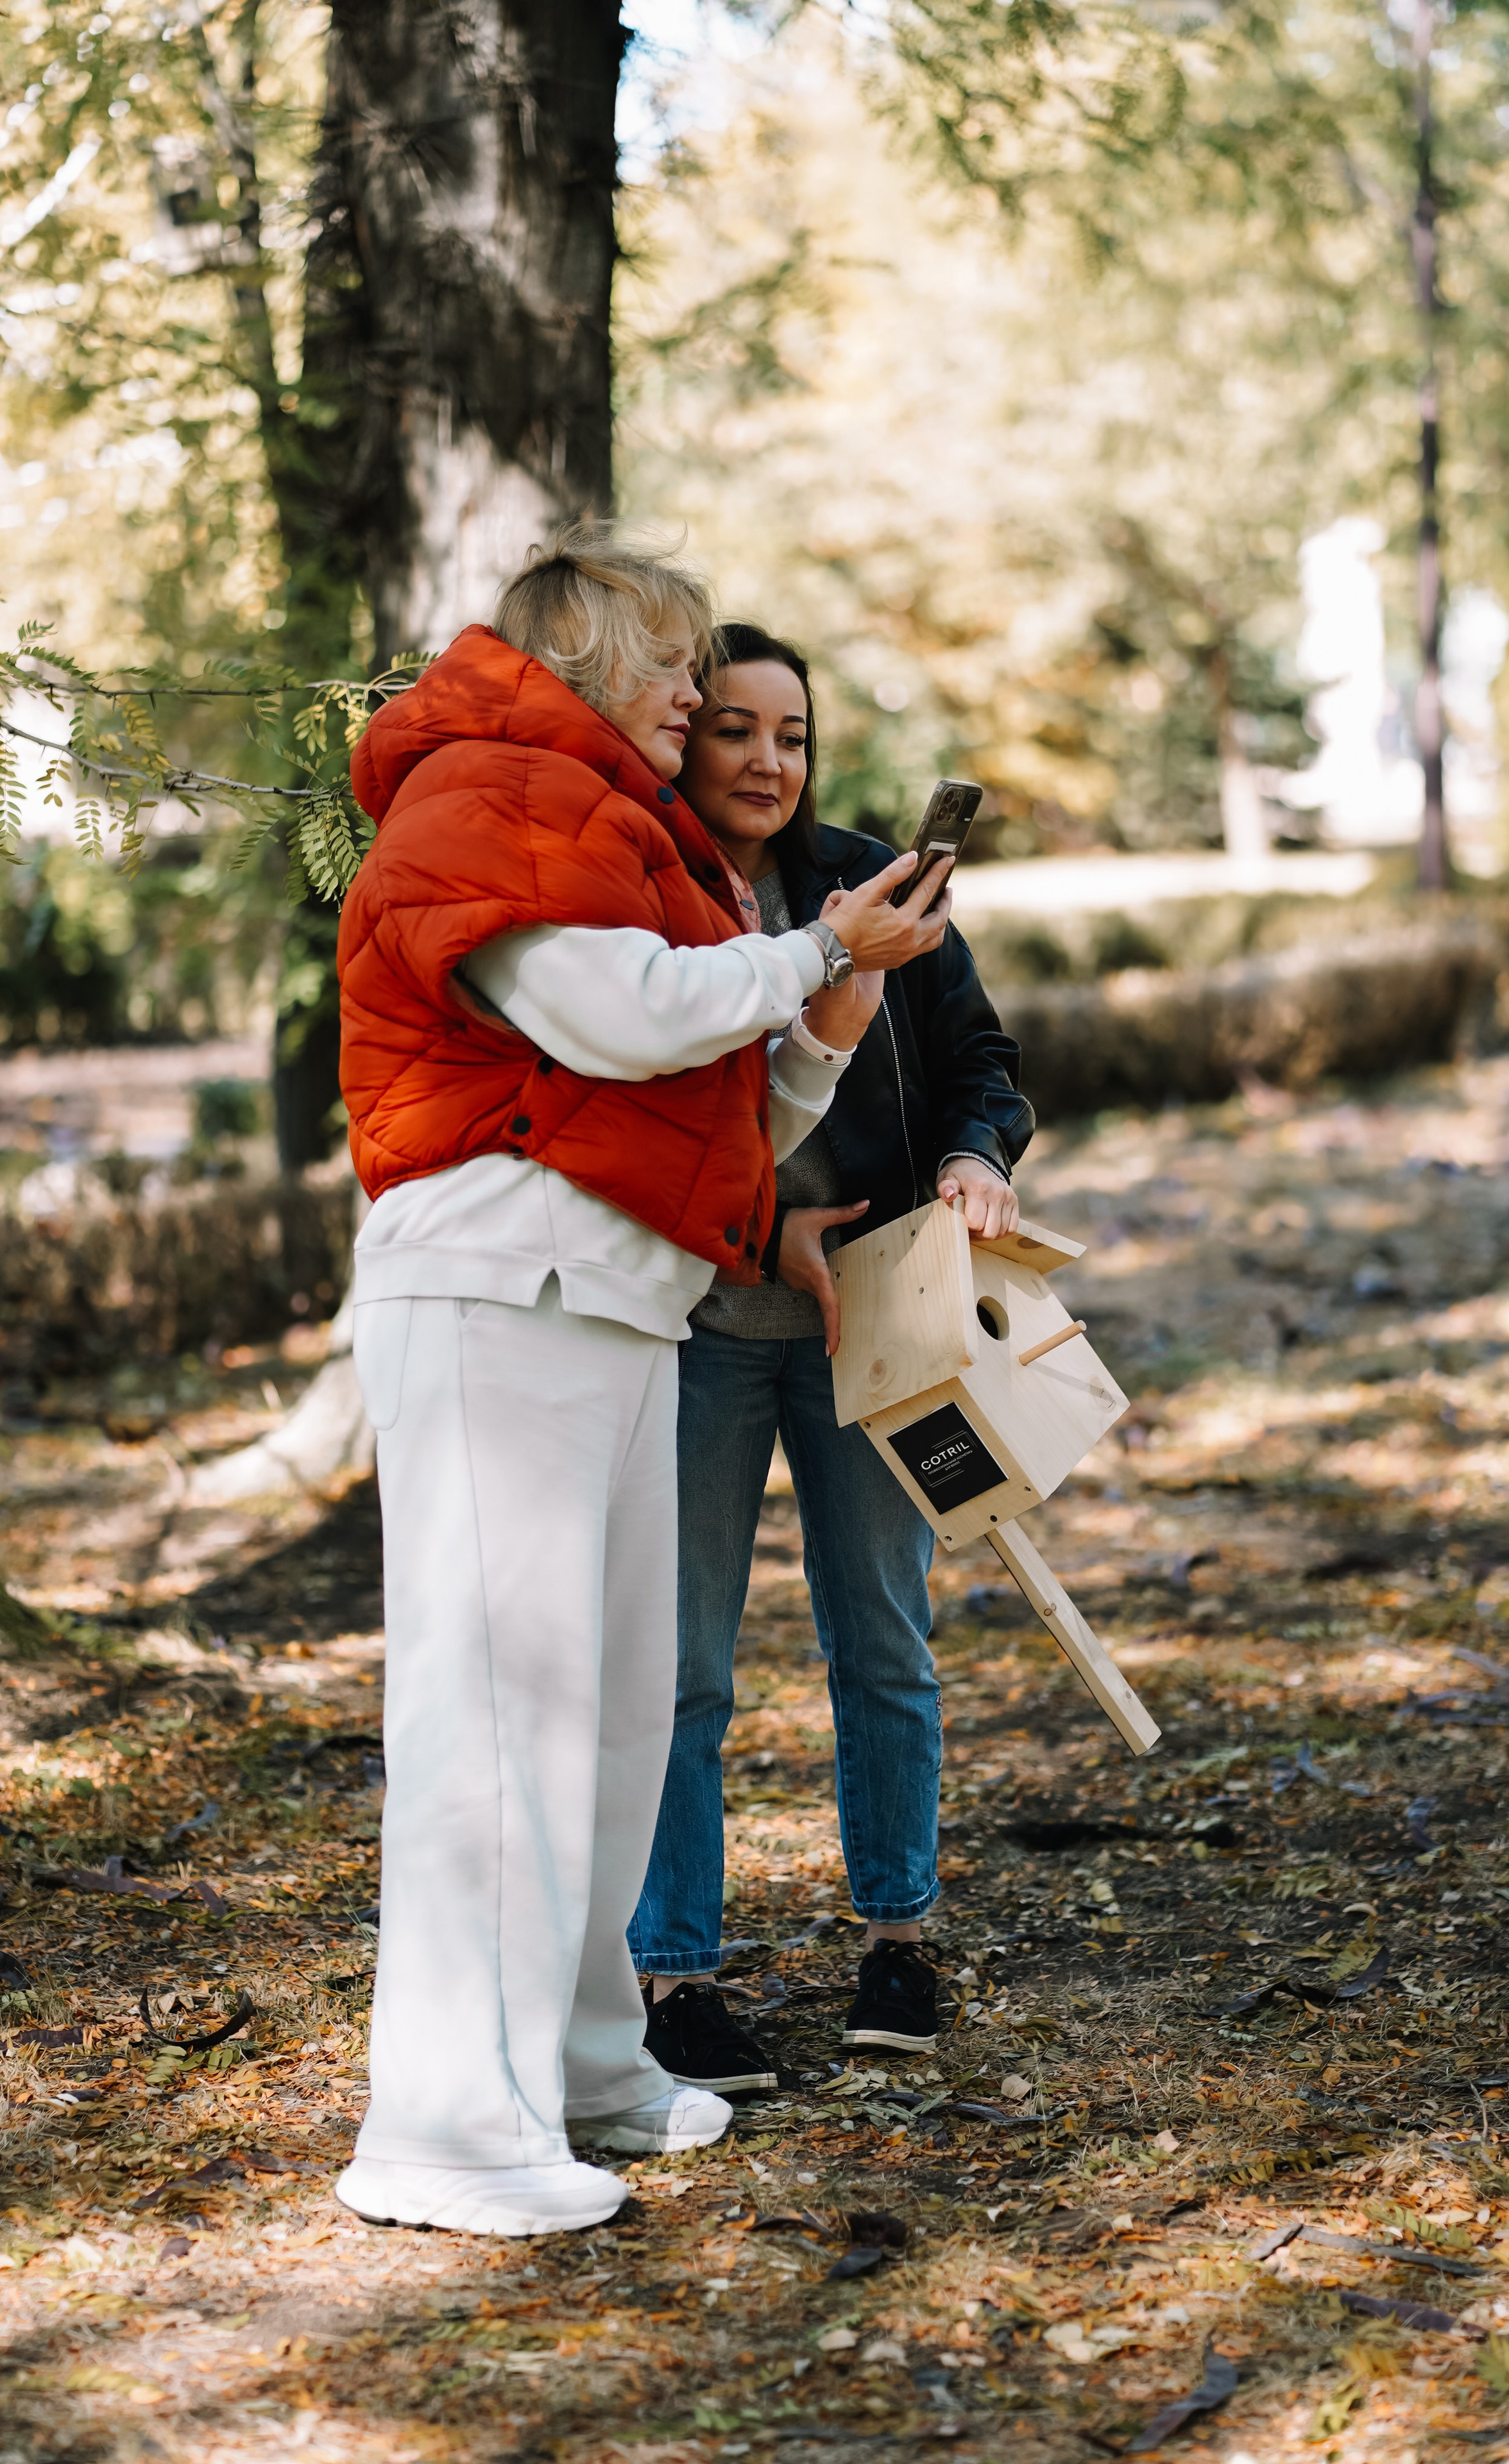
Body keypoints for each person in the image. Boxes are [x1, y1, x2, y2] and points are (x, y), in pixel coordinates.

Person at [330, 538, 953, 2237]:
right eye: (675, 662)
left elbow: (731, 1108)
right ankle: (450, 2133)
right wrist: (807, 946)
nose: (698, 694)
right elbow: (617, 1018)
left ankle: (589, 2056)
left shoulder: (624, 832)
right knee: (496, 1712)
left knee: (606, 1708)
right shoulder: (483, 793)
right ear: (596, 654)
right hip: (496, 1285)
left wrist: (838, 993)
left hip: (615, 1301)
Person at [628, 623, 1033, 2093]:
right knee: (679, 1665)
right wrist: (765, 1226)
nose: (763, 759)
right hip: (704, 1327)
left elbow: (981, 1063)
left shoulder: (879, 882)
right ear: (682, 735)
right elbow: (657, 1111)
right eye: (731, 728)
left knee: (883, 1640)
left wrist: (977, 1162)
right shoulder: (646, 888)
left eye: (789, 734)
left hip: (883, 1325)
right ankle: (670, 1974)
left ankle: (897, 1943)